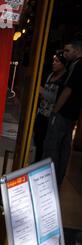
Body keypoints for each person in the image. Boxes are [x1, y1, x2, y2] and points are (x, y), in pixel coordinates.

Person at [43, 40, 82, 188]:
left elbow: (68, 90)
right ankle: (54, 184)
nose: (65, 54)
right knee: (62, 150)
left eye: (67, 51)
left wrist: (55, 110)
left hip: (64, 113)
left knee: (52, 149)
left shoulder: (76, 65)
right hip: (72, 115)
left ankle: (48, 184)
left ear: (76, 51)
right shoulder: (75, 65)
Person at [34, 51, 67, 161]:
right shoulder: (50, 75)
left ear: (63, 64)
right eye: (53, 60)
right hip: (42, 112)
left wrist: (43, 92)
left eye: (57, 61)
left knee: (47, 144)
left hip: (51, 116)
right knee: (38, 140)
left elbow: (58, 98)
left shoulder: (64, 79)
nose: (54, 63)